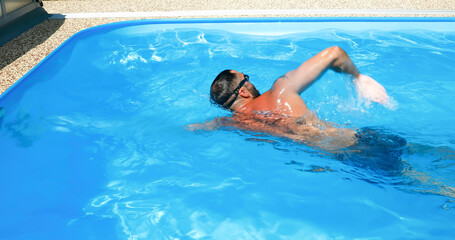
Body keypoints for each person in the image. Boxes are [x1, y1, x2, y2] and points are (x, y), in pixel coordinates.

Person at [192, 46, 391, 151]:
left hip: (342, 159)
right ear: (243, 91)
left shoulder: (231, 123)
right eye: (246, 78)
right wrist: (357, 77)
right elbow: (334, 53)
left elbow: (198, 127)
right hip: (359, 141)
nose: (250, 81)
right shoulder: (280, 90)